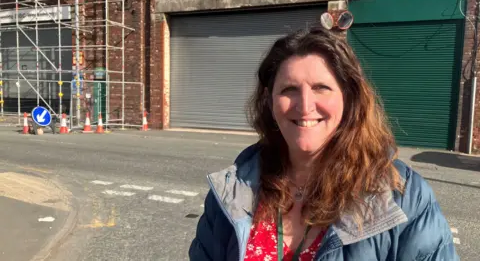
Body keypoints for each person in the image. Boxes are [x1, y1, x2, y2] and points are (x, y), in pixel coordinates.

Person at [189, 27, 459, 261]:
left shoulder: (403, 195)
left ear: (349, 99)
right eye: (289, 90)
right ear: (270, 102)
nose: (305, 106)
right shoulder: (233, 191)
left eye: (321, 88)